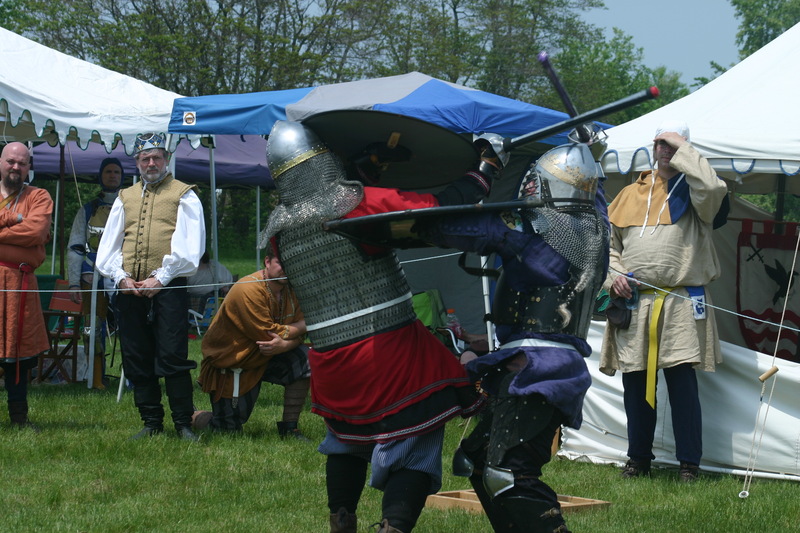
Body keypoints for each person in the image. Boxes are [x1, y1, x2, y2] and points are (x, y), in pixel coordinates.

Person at [262, 120, 502, 533]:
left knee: (346, 442)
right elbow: (439, 207)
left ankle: (341, 521)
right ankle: (394, 526)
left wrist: (367, 167)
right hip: (387, 352)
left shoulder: (279, 228)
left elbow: (354, 219)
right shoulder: (354, 206)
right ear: (324, 160)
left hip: (331, 360)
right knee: (416, 445)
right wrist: (485, 169)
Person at [420, 136, 610, 533]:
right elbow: (594, 196)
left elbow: (444, 224)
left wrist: (486, 170)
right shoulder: (596, 229)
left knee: (508, 474)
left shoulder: (528, 233)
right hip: (551, 363)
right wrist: (591, 156)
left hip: (535, 369)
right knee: (477, 462)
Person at [599, 120, 729, 482]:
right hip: (635, 303)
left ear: (686, 148)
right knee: (635, 385)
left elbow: (713, 187)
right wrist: (614, 277)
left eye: (674, 144)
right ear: (652, 146)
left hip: (680, 302)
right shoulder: (629, 194)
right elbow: (609, 248)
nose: (666, 149)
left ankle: (689, 464)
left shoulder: (699, 193)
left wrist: (681, 146)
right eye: (661, 143)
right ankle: (638, 459)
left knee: (682, 385)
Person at [96, 132, 206, 441]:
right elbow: (109, 246)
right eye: (145, 158)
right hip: (129, 289)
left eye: (157, 157)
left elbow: (191, 247)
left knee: (172, 356)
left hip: (169, 289)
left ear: (166, 159)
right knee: (136, 356)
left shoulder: (184, 194)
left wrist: (161, 278)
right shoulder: (125, 197)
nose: (151, 163)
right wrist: (121, 277)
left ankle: (183, 423)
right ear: (137, 162)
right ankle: (151, 422)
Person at [194, 248, 310, 438]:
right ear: (267, 262)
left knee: (306, 359)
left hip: (269, 353)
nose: (287, 268)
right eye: (281, 263)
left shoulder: (293, 289)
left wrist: (285, 345)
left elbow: (299, 334)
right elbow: (268, 334)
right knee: (227, 430)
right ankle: (192, 415)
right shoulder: (248, 288)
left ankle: (290, 428)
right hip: (235, 361)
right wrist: (304, 325)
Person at [0, 142, 54, 430]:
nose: (16, 167)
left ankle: (19, 418)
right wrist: (14, 222)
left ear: (29, 167)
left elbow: (36, 231)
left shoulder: (39, 196)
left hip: (20, 284)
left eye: (22, 163)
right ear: (1, 162)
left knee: (18, 354)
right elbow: (26, 232)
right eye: (11, 161)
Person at [66, 157, 124, 390]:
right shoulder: (87, 209)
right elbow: (75, 247)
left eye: (117, 172)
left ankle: (131, 378)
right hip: (92, 277)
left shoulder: (130, 207)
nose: (112, 175)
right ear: (101, 175)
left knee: (129, 326)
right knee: (92, 328)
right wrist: (74, 283)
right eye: (108, 171)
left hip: (122, 277)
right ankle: (96, 378)